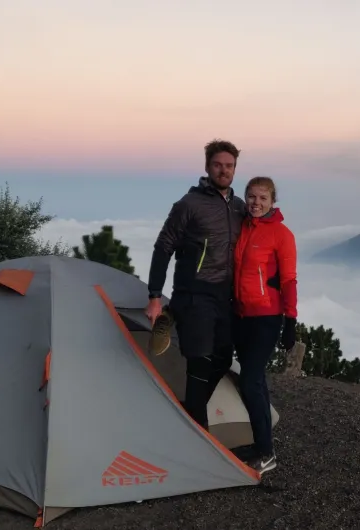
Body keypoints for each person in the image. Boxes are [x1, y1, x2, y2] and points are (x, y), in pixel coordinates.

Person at [144, 139, 247, 431]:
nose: (223, 170)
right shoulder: (188, 205)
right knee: (200, 359)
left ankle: (190, 410)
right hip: (195, 291)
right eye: (218, 165)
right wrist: (154, 295)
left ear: (235, 169)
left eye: (229, 166)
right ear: (207, 167)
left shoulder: (239, 208)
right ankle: (198, 429)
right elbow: (163, 247)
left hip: (224, 295)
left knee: (223, 357)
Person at [232, 175, 298, 475]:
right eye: (251, 197)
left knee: (249, 380)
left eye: (262, 198)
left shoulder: (282, 235)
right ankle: (262, 442)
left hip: (267, 318)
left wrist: (290, 319)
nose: (256, 203)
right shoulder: (243, 226)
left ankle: (267, 453)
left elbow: (288, 279)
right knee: (255, 381)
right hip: (242, 315)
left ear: (273, 202)